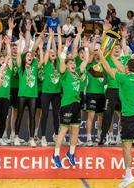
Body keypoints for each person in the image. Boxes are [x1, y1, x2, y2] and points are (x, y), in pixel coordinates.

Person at [98, 50, 134, 188]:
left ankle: (128, 176)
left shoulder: (123, 78)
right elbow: (121, 67)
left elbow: (109, 69)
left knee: (126, 146)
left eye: (125, 66)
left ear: (127, 68)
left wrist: (103, 56)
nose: (123, 67)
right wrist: (110, 55)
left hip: (129, 116)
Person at [52, 37, 89, 168]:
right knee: (63, 130)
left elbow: (85, 61)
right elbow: (61, 61)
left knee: (75, 131)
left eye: (74, 63)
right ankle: (55, 155)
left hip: (76, 104)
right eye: (71, 63)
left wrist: (85, 47)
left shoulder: (77, 73)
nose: (73, 64)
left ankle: (71, 154)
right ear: (67, 66)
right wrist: (66, 48)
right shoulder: (64, 74)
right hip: (66, 105)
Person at [14, 29, 44, 146]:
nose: (29, 56)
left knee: (32, 116)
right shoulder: (21, 67)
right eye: (27, 55)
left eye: (31, 55)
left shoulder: (35, 66)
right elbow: (18, 56)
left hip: (33, 95)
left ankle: (31, 138)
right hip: (22, 95)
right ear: (24, 58)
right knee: (20, 116)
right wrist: (21, 41)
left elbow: (41, 61)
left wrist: (40, 48)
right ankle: (16, 136)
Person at [39, 28, 61, 147]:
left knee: (56, 114)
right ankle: (43, 137)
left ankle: (57, 135)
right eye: (51, 53)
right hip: (46, 92)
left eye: (54, 53)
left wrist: (55, 40)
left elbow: (56, 50)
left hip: (56, 93)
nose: (52, 53)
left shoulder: (58, 64)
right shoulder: (46, 63)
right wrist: (51, 37)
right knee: (45, 114)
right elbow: (48, 51)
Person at [85, 35, 105, 146]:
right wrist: (96, 40)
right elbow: (91, 52)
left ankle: (98, 137)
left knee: (101, 117)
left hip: (102, 94)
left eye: (99, 54)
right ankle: (88, 138)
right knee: (91, 116)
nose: (97, 56)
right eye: (96, 54)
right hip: (91, 93)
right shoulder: (90, 64)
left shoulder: (104, 65)